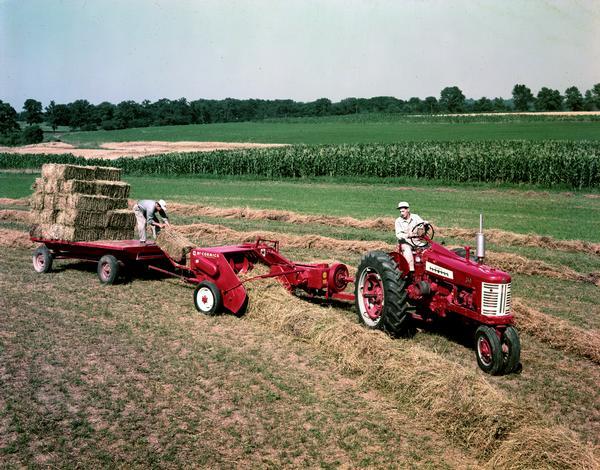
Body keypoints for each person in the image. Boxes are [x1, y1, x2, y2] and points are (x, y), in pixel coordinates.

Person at [394, 201, 428, 273]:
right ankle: (411, 270)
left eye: (403, 211)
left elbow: (421, 225)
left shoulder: (416, 217)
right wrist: (407, 235)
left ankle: (427, 268)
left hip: (417, 241)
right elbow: (398, 235)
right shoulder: (398, 221)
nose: (401, 213)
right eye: (400, 212)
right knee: (407, 249)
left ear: (408, 210)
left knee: (428, 249)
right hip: (405, 242)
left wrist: (425, 224)